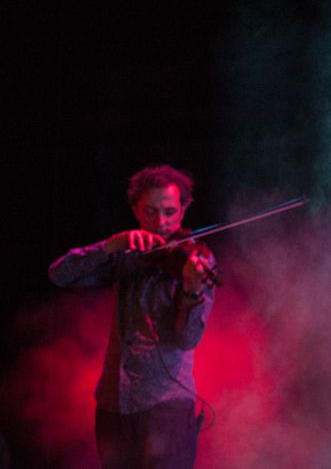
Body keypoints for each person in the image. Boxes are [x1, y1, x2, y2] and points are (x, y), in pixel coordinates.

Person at [49, 164, 216, 469]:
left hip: (165, 406)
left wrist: (192, 292)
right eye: (150, 212)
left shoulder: (195, 260)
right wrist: (110, 246)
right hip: (113, 403)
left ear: (183, 211)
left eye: (169, 212)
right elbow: (60, 275)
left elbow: (187, 339)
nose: (161, 222)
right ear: (135, 211)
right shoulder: (124, 255)